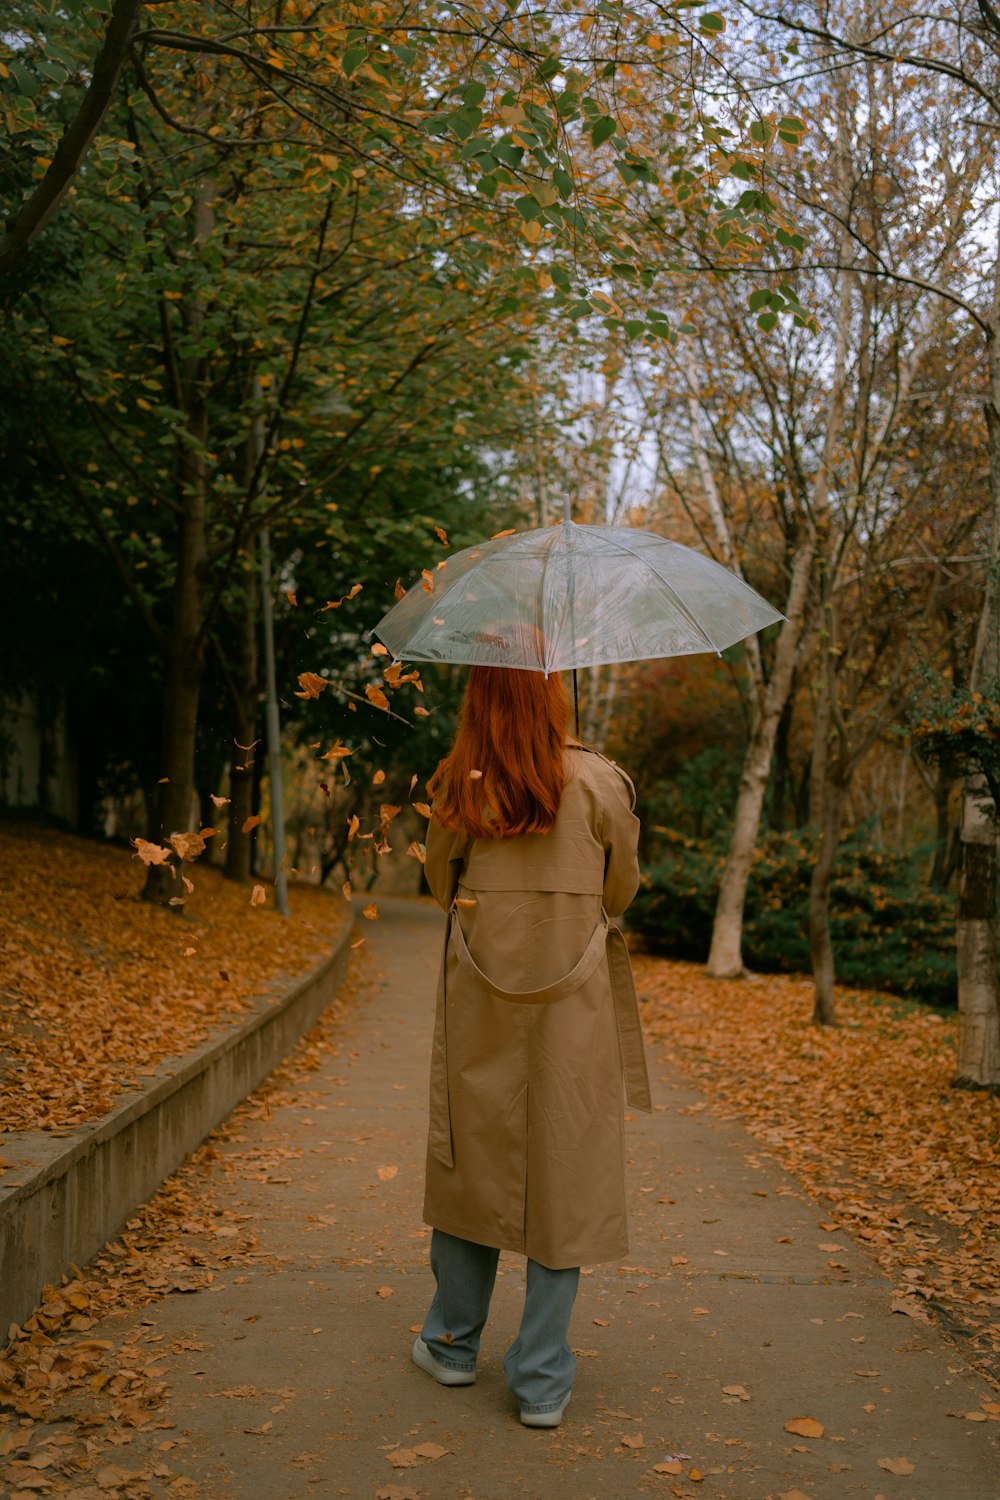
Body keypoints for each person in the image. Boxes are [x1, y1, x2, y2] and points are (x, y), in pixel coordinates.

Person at [411, 662, 651, 1428]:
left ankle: (451, 1345)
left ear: (479, 696)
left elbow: (440, 888)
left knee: (470, 1156)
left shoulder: (460, 781)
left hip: (480, 995)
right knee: (564, 1168)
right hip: (572, 1005)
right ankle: (542, 1380)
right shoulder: (601, 781)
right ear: (553, 693)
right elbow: (621, 892)